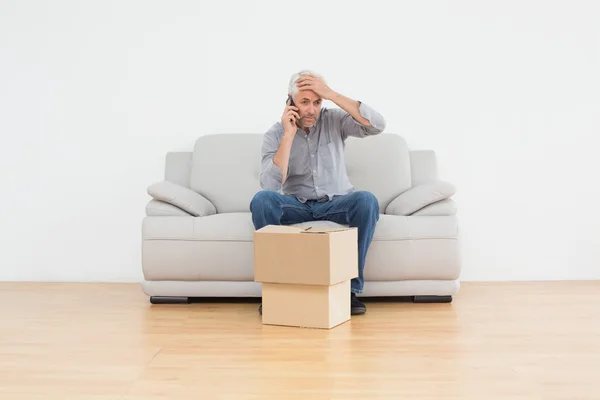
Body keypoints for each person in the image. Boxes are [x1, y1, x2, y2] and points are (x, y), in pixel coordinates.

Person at [250, 70, 386, 316]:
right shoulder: (276, 133)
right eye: (304, 102)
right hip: (296, 205)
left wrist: (332, 95)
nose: (312, 110)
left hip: (336, 203)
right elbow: (270, 185)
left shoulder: (334, 120)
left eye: (317, 102)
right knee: (262, 200)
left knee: (366, 200)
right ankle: (276, 289)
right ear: (290, 103)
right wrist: (289, 135)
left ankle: (350, 290)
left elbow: (377, 125)